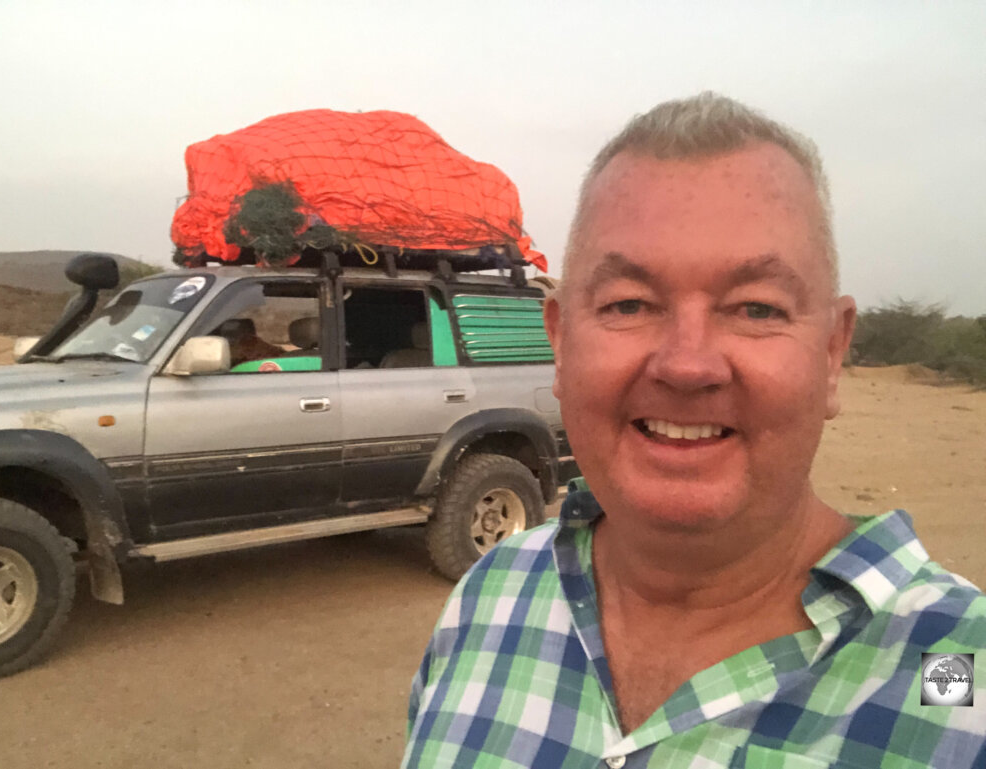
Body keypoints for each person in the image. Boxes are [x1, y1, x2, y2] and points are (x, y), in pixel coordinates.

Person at [402, 93, 985, 768]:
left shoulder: (955, 683)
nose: (687, 364)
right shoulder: (488, 598)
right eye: (629, 304)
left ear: (832, 352)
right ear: (560, 344)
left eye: (756, 308)